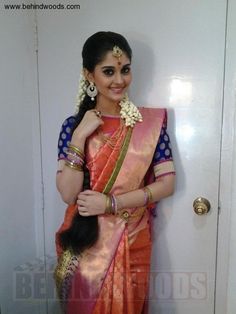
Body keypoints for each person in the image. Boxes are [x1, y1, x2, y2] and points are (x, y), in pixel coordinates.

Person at [54, 31, 175, 314]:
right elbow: (68, 194)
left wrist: (111, 203)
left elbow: (167, 184)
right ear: (89, 75)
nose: (119, 80)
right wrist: (79, 136)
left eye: (125, 70)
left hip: (132, 237)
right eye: (109, 71)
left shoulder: (150, 124)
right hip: (84, 241)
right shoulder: (73, 125)